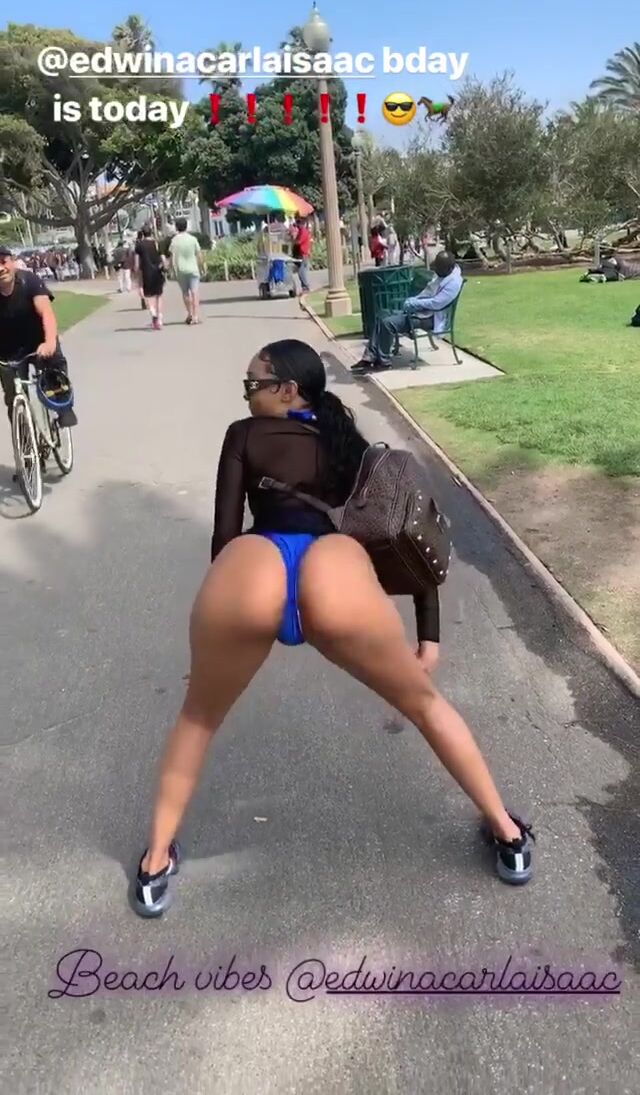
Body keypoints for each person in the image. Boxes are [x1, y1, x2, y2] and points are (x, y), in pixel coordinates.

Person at [132, 338, 535, 918]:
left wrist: (212, 639)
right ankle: (508, 835)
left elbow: (224, 538)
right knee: (425, 705)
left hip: (255, 566)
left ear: (286, 390)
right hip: (336, 572)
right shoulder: (348, 441)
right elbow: (406, 534)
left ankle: (154, 865)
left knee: (198, 718)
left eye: (252, 385)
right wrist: (429, 634)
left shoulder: (243, 435)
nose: (246, 396)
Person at [0, 245, 77, 428]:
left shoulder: (29, 281)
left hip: (38, 340)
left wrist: (49, 342)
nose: (1, 269)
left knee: (53, 365)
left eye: (3, 262)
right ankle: (24, 435)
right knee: (13, 395)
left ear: (12, 262)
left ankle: (64, 407)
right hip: (8, 348)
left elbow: (46, 312)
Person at [351, 250, 463, 373]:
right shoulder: (444, 274)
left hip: (429, 318)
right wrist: (414, 302)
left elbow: (437, 303)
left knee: (388, 323)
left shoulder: (453, 282)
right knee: (381, 315)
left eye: (439, 268)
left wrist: (414, 303)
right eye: (436, 266)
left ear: (449, 268)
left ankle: (384, 362)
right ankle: (369, 357)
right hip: (420, 312)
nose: (436, 270)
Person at [169, 217, 205, 325]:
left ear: (176, 227)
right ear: (186, 226)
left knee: (185, 293)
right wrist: (202, 266)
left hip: (180, 270)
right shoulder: (193, 239)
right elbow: (199, 254)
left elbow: (172, 256)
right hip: (193, 269)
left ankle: (189, 314)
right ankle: (195, 316)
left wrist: (171, 269)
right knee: (195, 292)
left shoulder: (174, 241)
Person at [134, 226, 165, 330]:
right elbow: (162, 258)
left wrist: (137, 276)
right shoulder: (157, 243)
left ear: (142, 233)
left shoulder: (139, 245)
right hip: (158, 272)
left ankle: (153, 313)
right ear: (151, 232)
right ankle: (160, 318)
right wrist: (164, 267)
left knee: (149, 296)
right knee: (159, 295)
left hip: (146, 273)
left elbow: (137, 264)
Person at [290, 215, 312, 293]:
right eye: (297, 222)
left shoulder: (303, 231)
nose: (297, 225)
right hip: (300, 254)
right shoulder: (300, 231)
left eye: (298, 222)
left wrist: (293, 241)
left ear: (302, 223)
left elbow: (298, 242)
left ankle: (306, 287)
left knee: (302, 272)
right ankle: (304, 287)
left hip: (303, 254)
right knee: (300, 272)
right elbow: (296, 240)